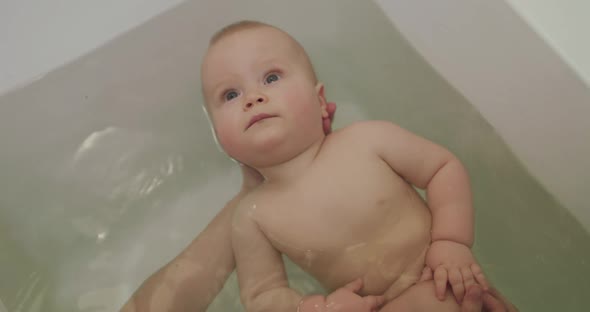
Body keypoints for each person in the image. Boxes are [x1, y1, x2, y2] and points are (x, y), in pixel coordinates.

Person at [121, 21, 518, 312]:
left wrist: (451, 241)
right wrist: (314, 308)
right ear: (221, 141)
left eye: (271, 77)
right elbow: (261, 296)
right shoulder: (252, 216)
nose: (253, 98)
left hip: (452, 280)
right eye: (230, 94)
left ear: (319, 99)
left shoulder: (368, 140)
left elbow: (442, 168)